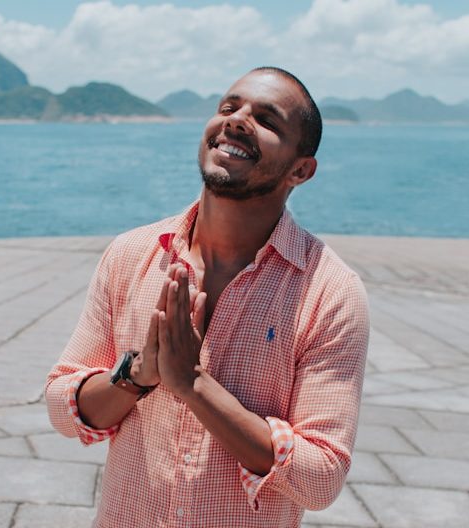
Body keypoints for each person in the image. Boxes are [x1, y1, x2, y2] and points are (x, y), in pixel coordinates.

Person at [45, 67, 370, 528]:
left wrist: (195, 386)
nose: (237, 120)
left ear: (301, 170)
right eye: (228, 107)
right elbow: (63, 404)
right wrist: (137, 375)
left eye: (267, 121)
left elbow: (321, 477)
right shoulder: (131, 254)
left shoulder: (330, 292)